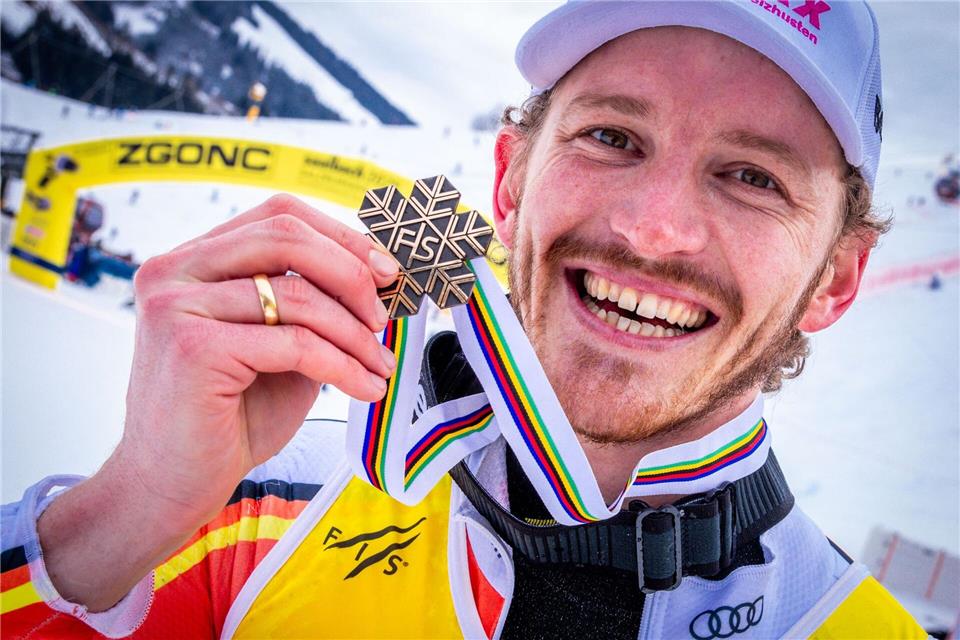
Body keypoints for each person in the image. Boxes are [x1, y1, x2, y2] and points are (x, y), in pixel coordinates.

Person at [0, 1, 927, 638]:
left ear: (835, 280)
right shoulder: (252, 509)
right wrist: (127, 513)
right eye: (611, 136)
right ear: (509, 182)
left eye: (753, 177)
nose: (654, 228)